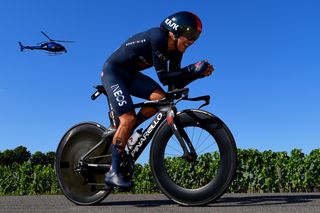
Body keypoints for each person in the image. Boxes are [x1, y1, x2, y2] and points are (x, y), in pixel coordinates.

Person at [101, 11, 214, 188]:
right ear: (176, 29)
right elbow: (165, 77)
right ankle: (112, 171)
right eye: (191, 35)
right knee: (128, 119)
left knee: (161, 99)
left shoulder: (176, 49)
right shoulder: (158, 37)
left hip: (130, 75)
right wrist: (192, 69)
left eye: (196, 37)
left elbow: (175, 80)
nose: (192, 41)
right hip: (113, 73)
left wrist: (198, 74)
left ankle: (127, 130)